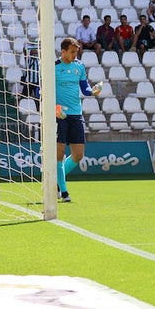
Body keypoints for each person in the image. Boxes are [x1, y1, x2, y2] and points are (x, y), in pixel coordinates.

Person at [55, 38, 102, 203]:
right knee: (59, 154)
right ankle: (64, 191)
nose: (75, 55)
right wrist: (54, 108)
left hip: (76, 114)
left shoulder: (79, 66)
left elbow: (85, 88)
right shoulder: (53, 67)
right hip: (59, 115)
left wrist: (93, 91)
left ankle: (55, 182)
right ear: (63, 51)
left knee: (78, 155)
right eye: (72, 52)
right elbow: (41, 90)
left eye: (77, 52)